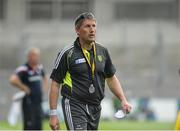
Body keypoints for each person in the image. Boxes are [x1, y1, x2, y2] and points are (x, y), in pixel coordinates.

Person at [49, 12, 132, 130]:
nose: (92, 30)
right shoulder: (67, 53)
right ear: (77, 30)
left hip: (95, 107)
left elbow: (111, 78)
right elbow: (55, 83)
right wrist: (53, 114)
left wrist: (123, 100)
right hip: (74, 104)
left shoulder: (102, 51)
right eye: (87, 26)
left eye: (94, 26)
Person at [9, 47, 48, 130]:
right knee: (30, 126)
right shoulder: (24, 68)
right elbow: (12, 80)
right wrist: (23, 87)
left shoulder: (39, 67)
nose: (37, 58)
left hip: (38, 102)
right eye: (35, 55)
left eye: (38, 55)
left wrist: (43, 89)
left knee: (38, 125)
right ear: (29, 56)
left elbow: (45, 78)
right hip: (28, 102)